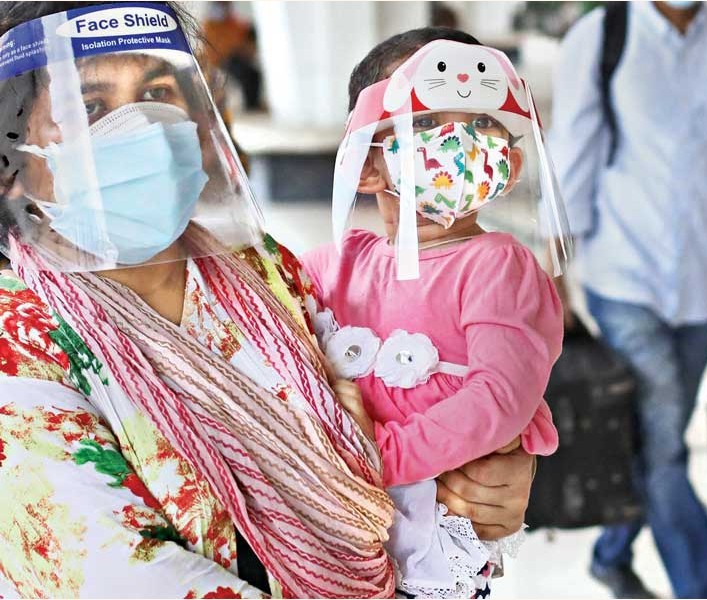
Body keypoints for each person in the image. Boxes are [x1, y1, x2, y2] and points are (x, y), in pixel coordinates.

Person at [0, 3, 537, 597]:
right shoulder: (18, 340)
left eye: (158, 91)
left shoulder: (266, 274)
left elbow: (407, 391)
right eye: (93, 107)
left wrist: (489, 480)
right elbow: (111, 573)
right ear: (14, 159)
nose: (144, 128)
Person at [550, 2, 707, 598]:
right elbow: (574, 153)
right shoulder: (603, 35)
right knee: (664, 449)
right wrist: (554, 268)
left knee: (653, 434)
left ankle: (610, 552)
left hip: (703, 281)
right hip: (623, 275)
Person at [301, 28, 568, 598]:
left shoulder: (499, 266)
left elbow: (498, 399)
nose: (459, 142)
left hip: (430, 557)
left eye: (481, 124)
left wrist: (375, 459)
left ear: (509, 162)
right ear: (365, 166)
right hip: (334, 549)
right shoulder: (332, 266)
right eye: (423, 124)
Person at [202, 1, 263, 111]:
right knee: (243, 72)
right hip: (221, 61)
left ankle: (253, 104)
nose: (225, 8)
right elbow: (214, 50)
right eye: (223, 5)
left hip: (235, 58)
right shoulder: (209, 25)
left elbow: (244, 33)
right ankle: (251, 106)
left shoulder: (233, 23)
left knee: (254, 73)